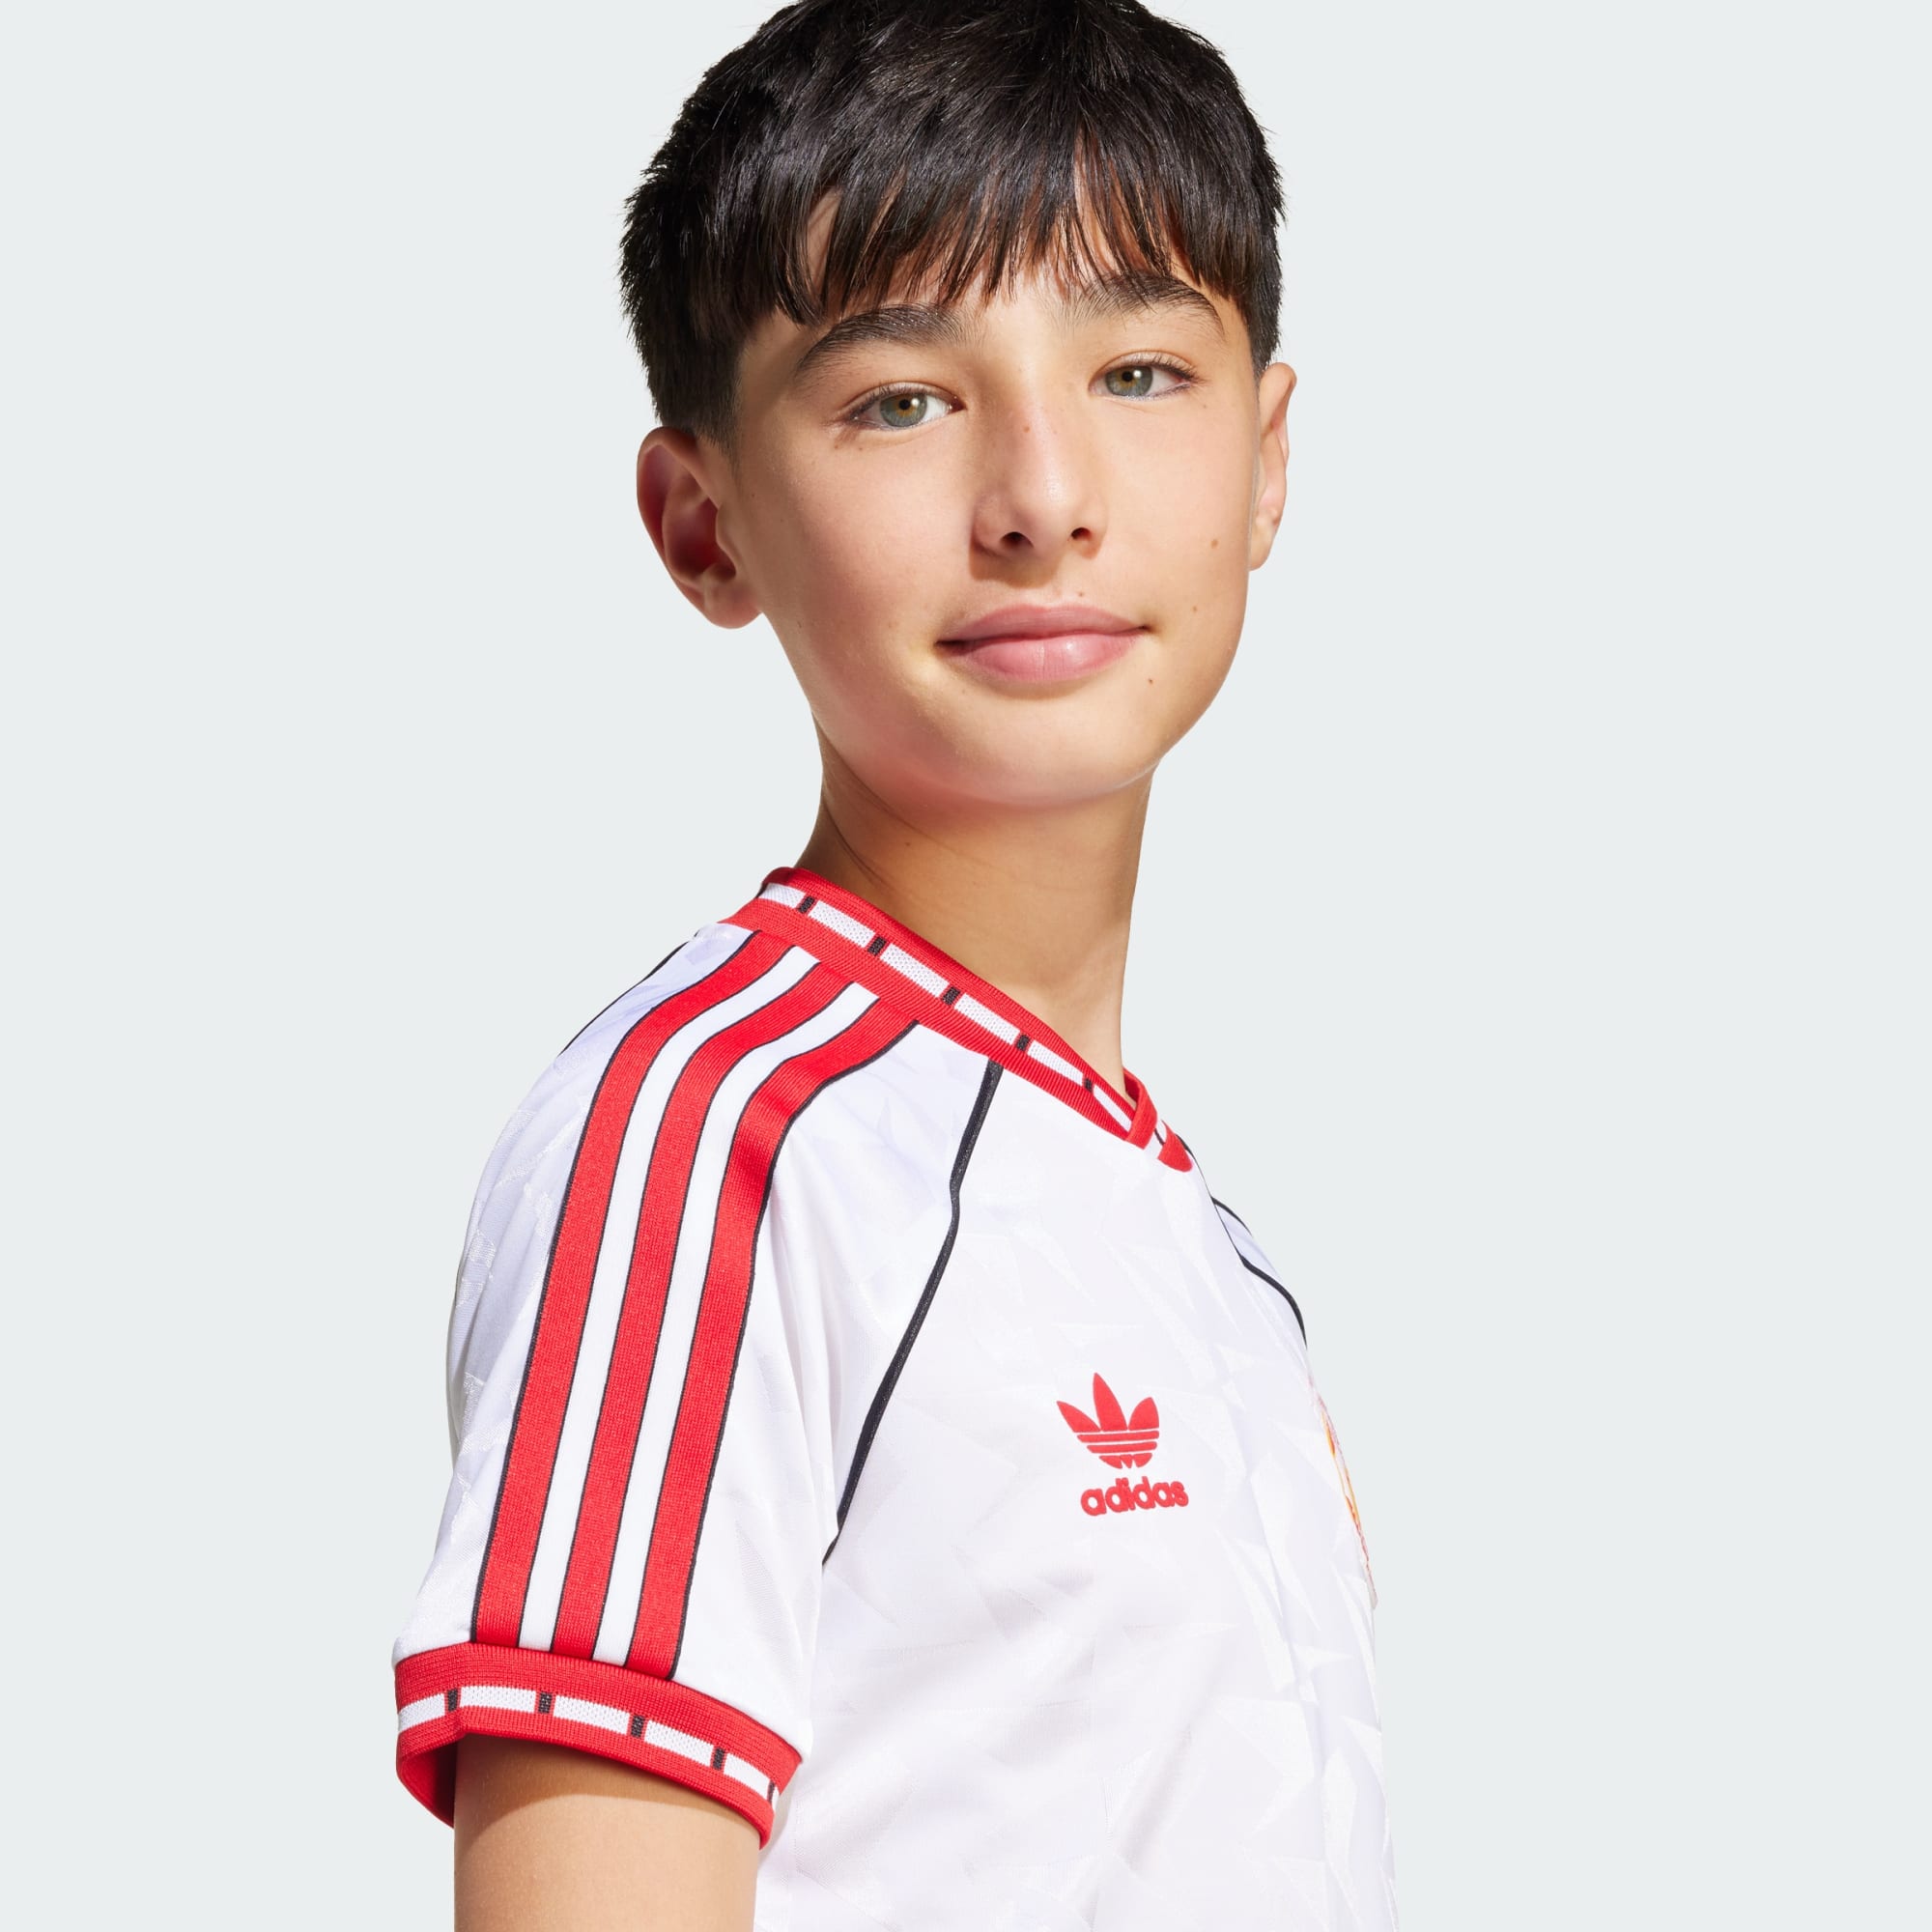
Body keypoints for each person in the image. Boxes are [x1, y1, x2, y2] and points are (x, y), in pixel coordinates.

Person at [389, 2, 1396, 1925]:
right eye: (901, 401)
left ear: (1268, 460)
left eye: (1139, 371)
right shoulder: (705, 1144)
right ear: (702, 522)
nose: (1043, 495)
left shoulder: (1207, 1252)